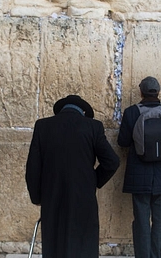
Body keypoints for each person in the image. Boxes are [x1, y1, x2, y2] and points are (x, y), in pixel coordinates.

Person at [25, 95, 120, 258]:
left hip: (52, 196)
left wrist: (37, 198)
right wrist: (94, 181)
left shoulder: (43, 126)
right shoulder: (93, 127)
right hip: (83, 197)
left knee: (55, 243)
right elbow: (112, 161)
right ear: (83, 111)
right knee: (83, 243)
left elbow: (32, 168)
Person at [117, 76, 161, 258]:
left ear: (141, 92)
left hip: (138, 175)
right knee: (159, 221)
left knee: (141, 220)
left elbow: (122, 141)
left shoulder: (131, 112)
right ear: (158, 91)